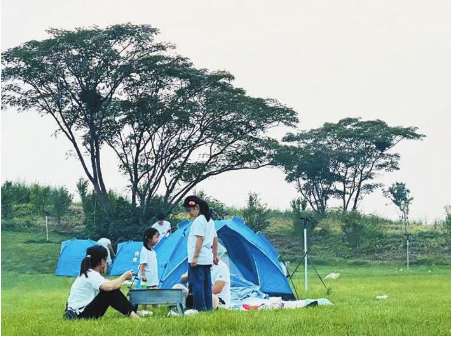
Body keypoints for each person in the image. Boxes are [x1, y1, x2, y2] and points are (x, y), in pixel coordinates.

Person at [65, 245, 140, 319]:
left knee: (112, 290)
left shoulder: (88, 273)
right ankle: (133, 315)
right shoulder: (92, 274)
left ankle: (133, 312)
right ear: (102, 261)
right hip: (80, 314)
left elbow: (110, 283)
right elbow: (109, 287)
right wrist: (124, 276)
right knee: (111, 292)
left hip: (75, 312)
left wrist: (119, 282)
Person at [183, 195, 219, 312]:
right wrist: (215, 255)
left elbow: (200, 239)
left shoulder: (199, 221)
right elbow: (215, 239)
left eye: (189, 210)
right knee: (206, 285)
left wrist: (195, 258)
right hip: (207, 258)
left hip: (198, 259)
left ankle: (200, 308)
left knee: (197, 284)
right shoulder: (210, 221)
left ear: (197, 207)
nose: (189, 214)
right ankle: (208, 308)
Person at [138, 228, 160, 315]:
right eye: (156, 237)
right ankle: (144, 309)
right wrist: (143, 276)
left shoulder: (153, 251)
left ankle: (155, 308)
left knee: (155, 293)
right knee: (145, 294)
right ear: (149, 239)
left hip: (153, 277)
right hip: (147, 278)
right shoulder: (144, 251)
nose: (158, 239)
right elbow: (142, 265)